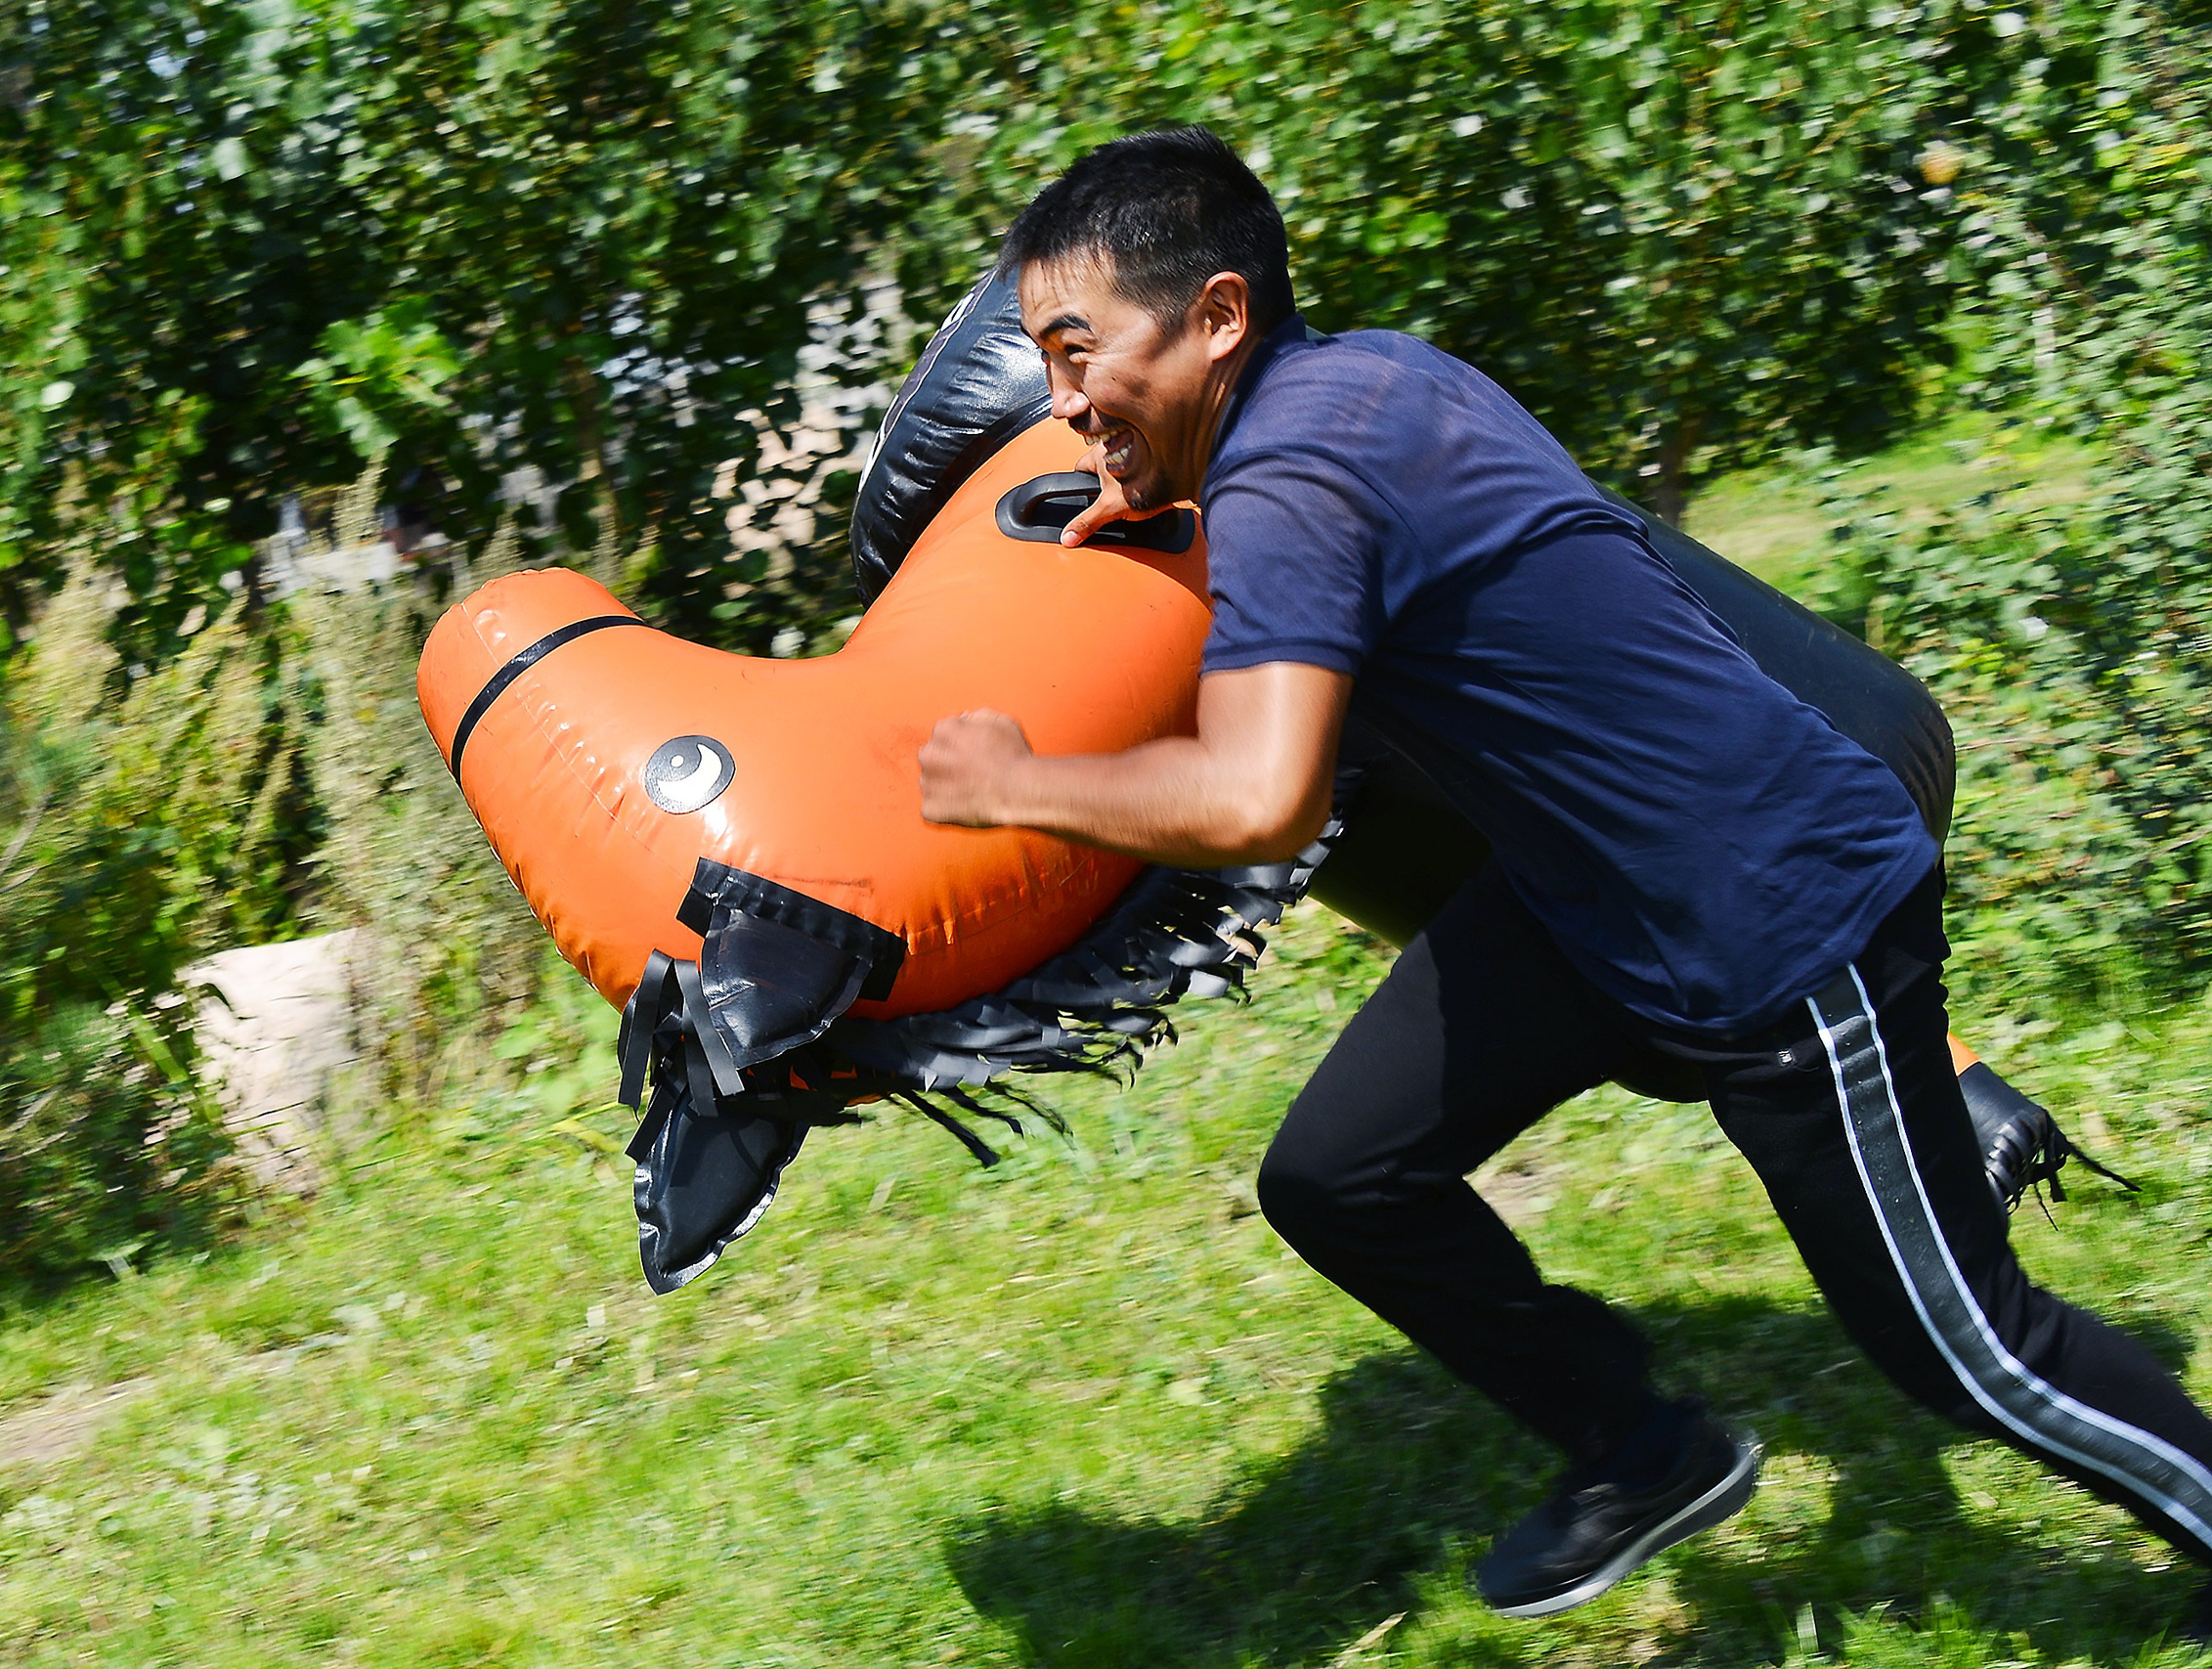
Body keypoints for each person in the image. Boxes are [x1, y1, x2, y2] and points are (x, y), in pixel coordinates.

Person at [916, 124, 2212, 1626]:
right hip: (1587, 897)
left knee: (1968, 1348)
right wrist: (1170, 504)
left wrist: (1014, 783)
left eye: (1081, 354)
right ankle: (1642, 1447)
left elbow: (1260, 797)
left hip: (1775, 914)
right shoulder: (1375, 378)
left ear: (1216, 315)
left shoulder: (1290, 483)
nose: (1064, 404)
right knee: (1341, 1177)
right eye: (1043, 361)